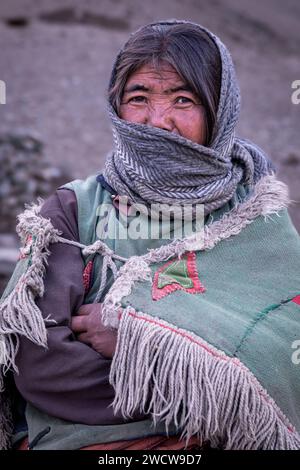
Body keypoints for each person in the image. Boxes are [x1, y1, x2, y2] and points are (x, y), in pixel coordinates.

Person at [0, 19, 300, 451]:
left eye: (183, 99)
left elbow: (284, 355)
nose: (158, 121)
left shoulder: (257, 218)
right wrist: (208, 391)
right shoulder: (73, 212)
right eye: (139, 97)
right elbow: (40, 363)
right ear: (116, 106)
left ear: (220, 110)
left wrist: (135, 341)